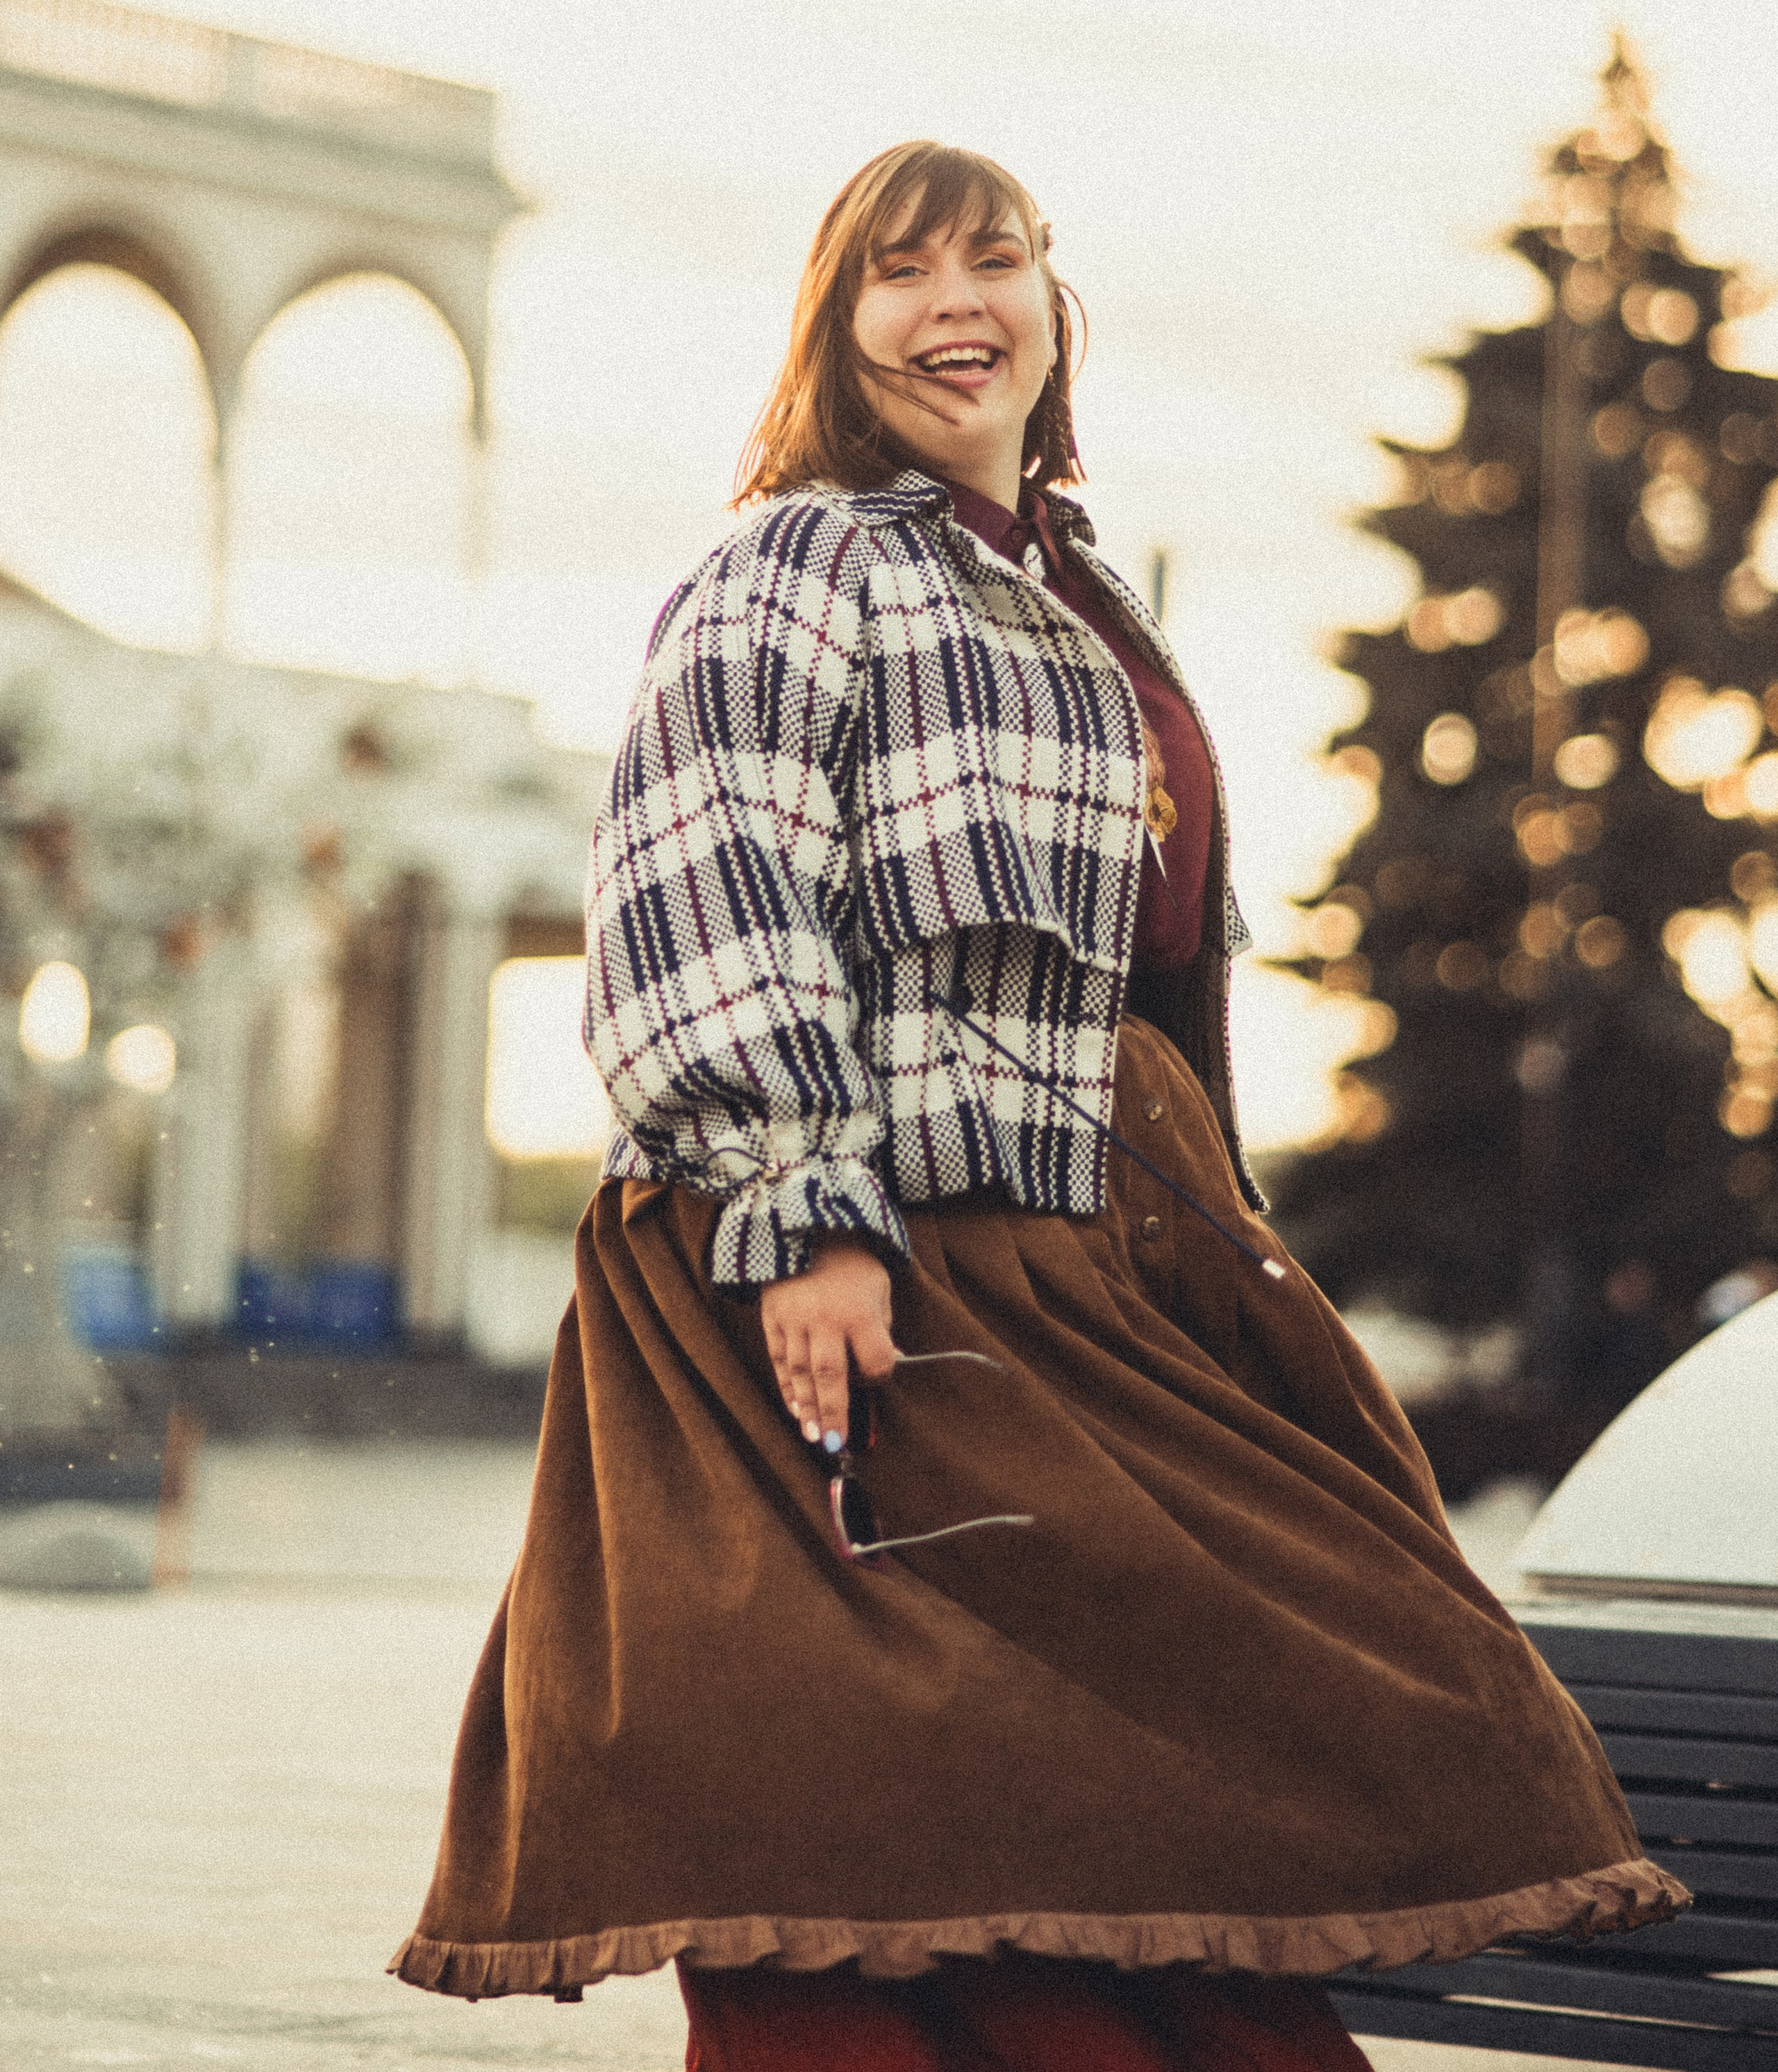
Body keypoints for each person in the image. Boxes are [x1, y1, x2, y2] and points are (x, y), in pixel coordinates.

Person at [393, 143, 1685, 2070]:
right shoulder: (798, 561)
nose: (954, 302)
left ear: (1052, 303)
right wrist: (808, 1216)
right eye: (897, 272)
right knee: (890, 1844)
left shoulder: (1082, 600)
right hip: (875, 1260)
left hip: (1102, 1257)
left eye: (993, 257)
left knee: (1253, 1751)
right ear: (838, 333)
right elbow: (703, 881)